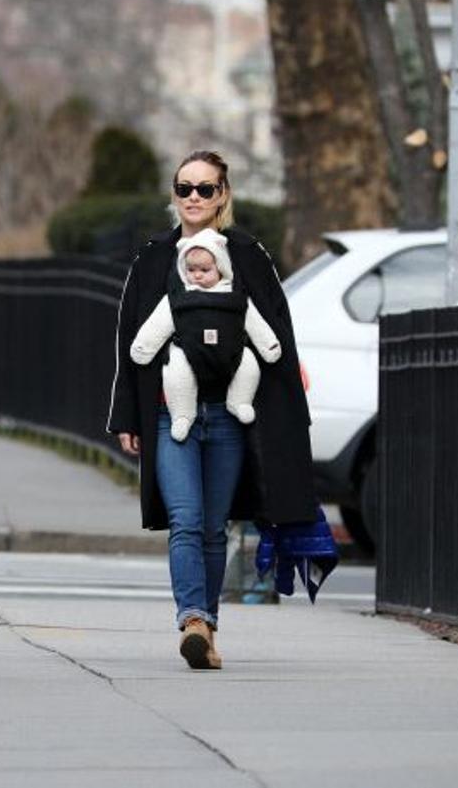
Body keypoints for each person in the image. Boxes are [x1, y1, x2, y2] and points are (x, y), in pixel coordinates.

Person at [107, 150, 316, 670]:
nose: (194, 199)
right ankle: (193, 618)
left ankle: (209, 633)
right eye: (185, 189)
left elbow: (276, 336)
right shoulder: (154, 258)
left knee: (215, 525)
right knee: (186, 518)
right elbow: (131, 341)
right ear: (174, 195)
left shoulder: (246, 255)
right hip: (168, 412)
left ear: (223, 195)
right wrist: (126, 416)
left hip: (228, 411)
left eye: (205, 189)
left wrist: (287, 409)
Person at [129, 227, 281, 440]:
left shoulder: (235, 297)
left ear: (221, 267)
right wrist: (144, 346)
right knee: (176, 370)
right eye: (191, 270)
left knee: (249, 364)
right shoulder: (178, 298)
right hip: (187, 352)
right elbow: (159, 323)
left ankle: (239, 401)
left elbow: (254, 321)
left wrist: (269, 345)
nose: (197, 275)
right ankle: (182, 414)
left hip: (232, 352)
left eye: (204, 270)